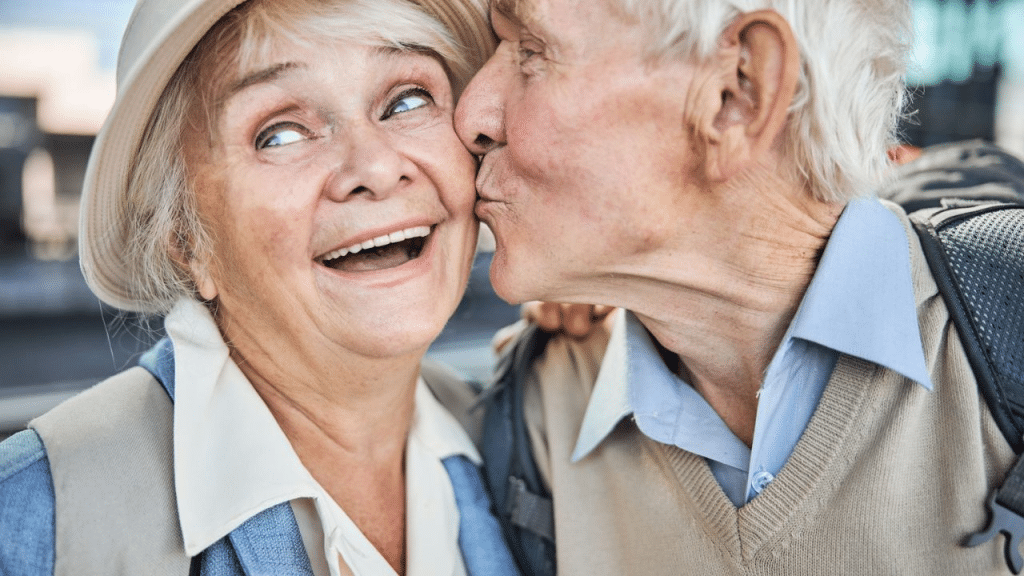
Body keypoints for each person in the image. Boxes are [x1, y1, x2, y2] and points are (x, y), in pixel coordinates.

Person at [454, 0, 1019, 574]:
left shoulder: (1004, 348)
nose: (471, 116)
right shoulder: (530, 417)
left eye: (529, 52)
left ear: (738, 92)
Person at [0, 0, 523, 574]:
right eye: (280, 135)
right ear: (185, 238)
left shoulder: (515, 430)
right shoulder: (32, 523)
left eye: (406, 100)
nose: (375, 168)